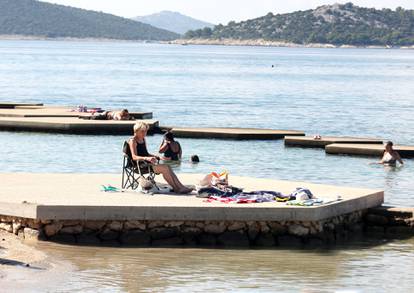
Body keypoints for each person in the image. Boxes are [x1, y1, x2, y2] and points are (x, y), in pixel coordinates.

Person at [128, 122, 193, 194]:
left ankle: (180, 187)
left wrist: (155, 156)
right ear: (136, 131)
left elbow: (146, 153)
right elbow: (134, 156)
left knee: (167, 167)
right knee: (165, 168)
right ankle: (177, 188)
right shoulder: (133, 141)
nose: (145, 133)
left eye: (146, 131)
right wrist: (147, 158)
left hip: (146, 164)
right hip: (139, 166)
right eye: (142, 131)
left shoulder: (143, 139)